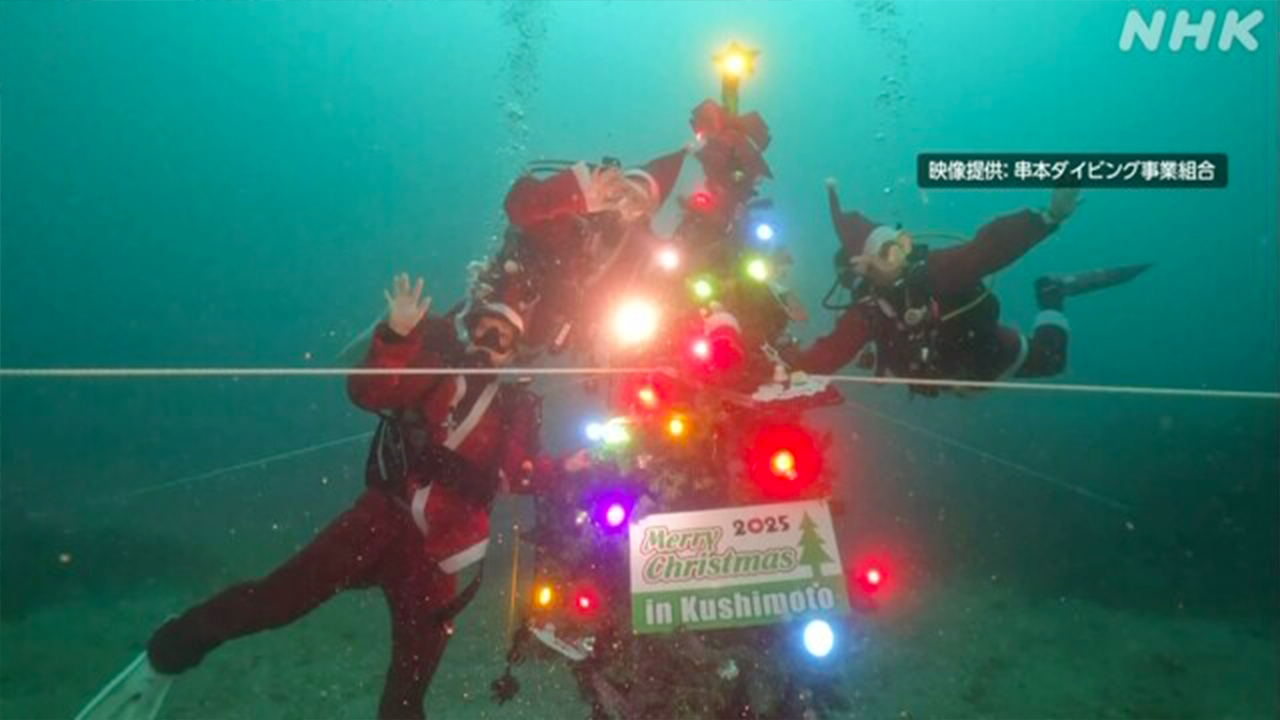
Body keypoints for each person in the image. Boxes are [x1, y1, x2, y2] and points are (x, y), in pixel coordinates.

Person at [75, 273, 586, 720]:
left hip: (439, 556)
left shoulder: (514, 407)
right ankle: (173, 645)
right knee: (277, 602)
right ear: (468, 330)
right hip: (378, 521)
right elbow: (368, 392)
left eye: (502, 338)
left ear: (514, 353)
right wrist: (396, 335)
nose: (489, 342)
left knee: (410, 682)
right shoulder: (431, 374)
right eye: (483, 329)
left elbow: (520, 474)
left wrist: (566, 468)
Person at [792, 180, 1150, 394]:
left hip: (992, 354)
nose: (901, 256)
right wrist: (785, 369)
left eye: (900, 244)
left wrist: (1046, 218)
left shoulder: (931, 272)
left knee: (1050, 361)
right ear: (864, 266)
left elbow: (986, 249)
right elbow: (831, 352)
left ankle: (1052, 293)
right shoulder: (866, 312)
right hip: (954, 377)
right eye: (888, 252)